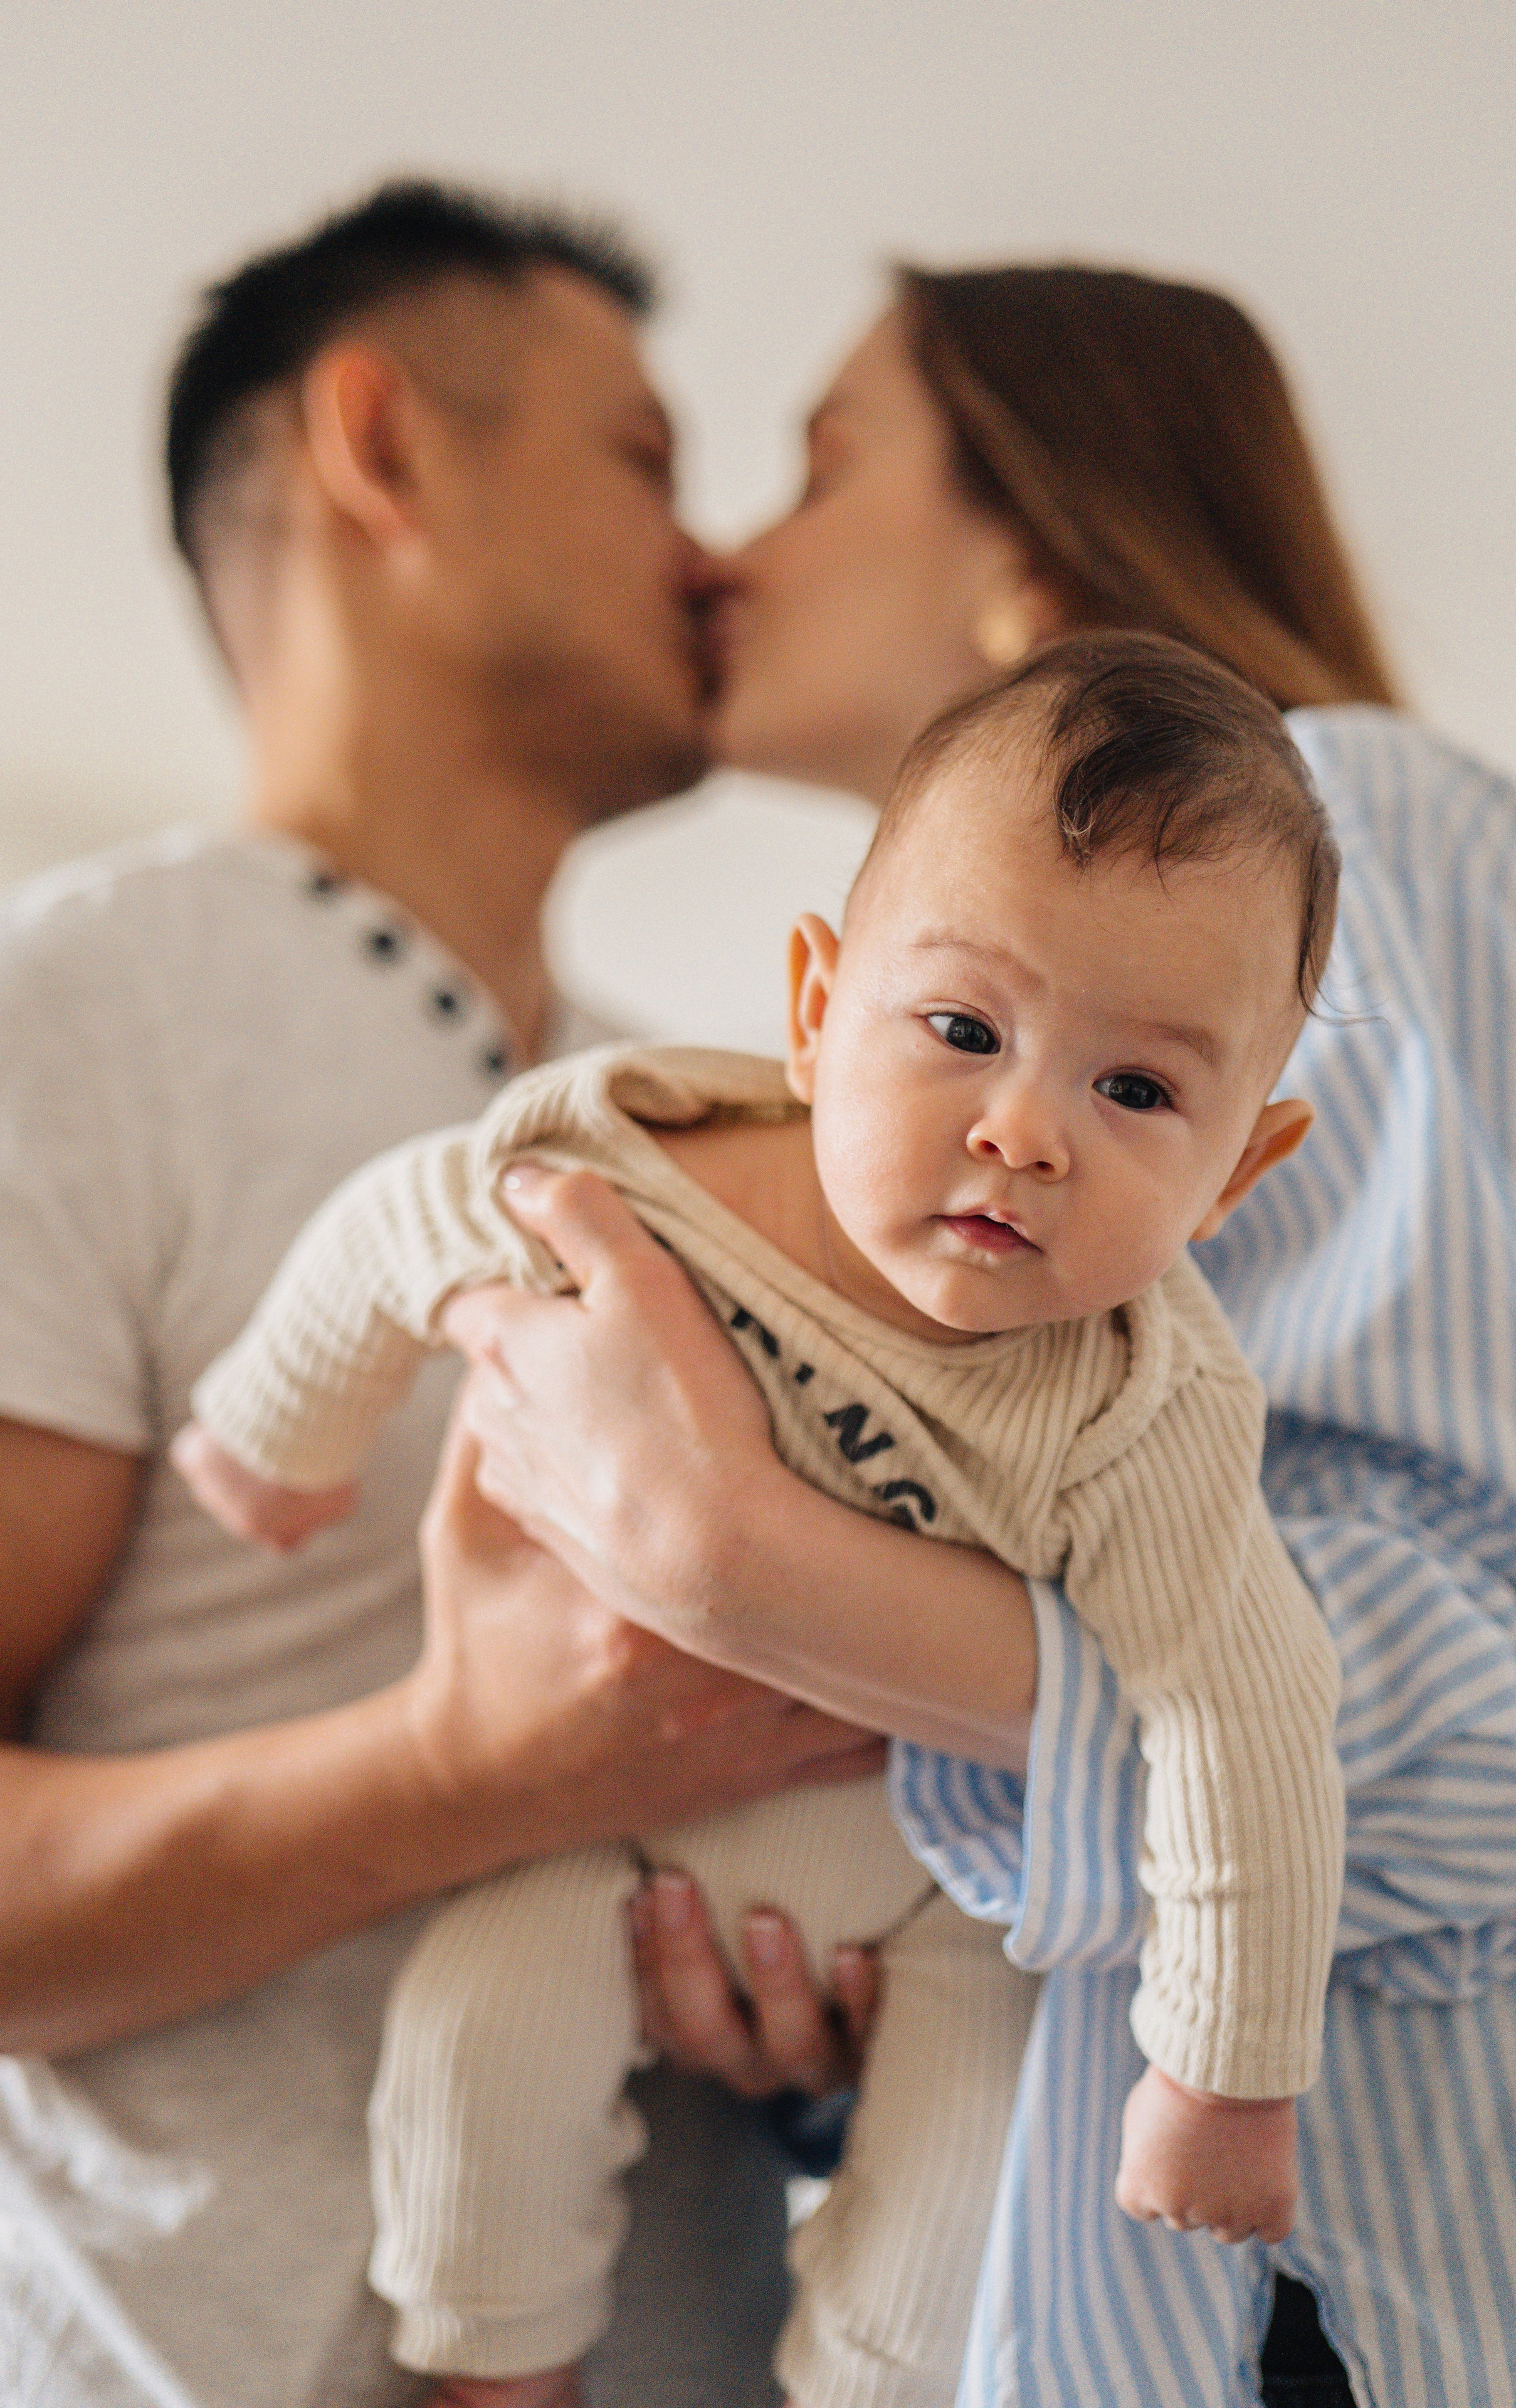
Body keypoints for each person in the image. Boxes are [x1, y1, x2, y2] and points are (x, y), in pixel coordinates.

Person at [436, 268, 1516, 2405]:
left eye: (824, 462)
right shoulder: (901, 1173)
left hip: (1337, 2310)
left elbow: (1483, 1729)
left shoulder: (1346, 821)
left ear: (1027, 544)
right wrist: (849, 2015)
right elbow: (1089, 1850)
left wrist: (749, 1569)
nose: (730, 548)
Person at [0, 181, 908, 2408]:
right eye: (645, 459)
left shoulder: (724, 1122)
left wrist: (824, 2014)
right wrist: (457, 1774)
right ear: (385, 445)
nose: (715, 550)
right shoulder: (60, 1009)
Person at [178, 630, 1348, 2408]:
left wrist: (1222, 2076)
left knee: (968, 2217)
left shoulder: (1139, 1416)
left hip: (930, 1892)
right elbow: (415, 1217)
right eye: (962, 1030)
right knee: (473, 2040)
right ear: (815, 1011)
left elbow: (1248, 1714)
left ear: (1238, 1173)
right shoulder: (657, 1184)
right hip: (596, 1831)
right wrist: (283, 1429)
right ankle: (500, 2383)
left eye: (1136, 1092)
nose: (1024, 1129)